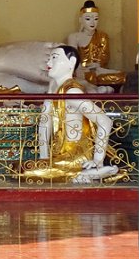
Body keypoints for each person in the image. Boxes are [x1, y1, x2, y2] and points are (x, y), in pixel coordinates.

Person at [20, 45, 124, 184]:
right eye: (49, 58)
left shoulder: (72, 92)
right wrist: (43, 157)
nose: (49, 62)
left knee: (25, 172)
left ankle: (92, 171)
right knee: (19, 169)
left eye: (54, 58)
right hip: (59, 155)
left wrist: (97, 160)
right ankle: (84, 175)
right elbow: (45, 121)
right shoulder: (54, 87)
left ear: (72, 62)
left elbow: (105, 121)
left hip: (77, 156)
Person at [66, 0, 126, 90]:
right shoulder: (74, 37)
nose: (92, 22)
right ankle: (99, 87)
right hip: (82, 71)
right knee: (78, 78)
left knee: (122, 76)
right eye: (88, 19)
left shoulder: (103, 36)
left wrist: (97, 64)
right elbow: (72, 58)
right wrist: (79, 68)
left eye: (96, 19)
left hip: (98, 70)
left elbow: (104, 56)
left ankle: (98, 86)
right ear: (80, 20)